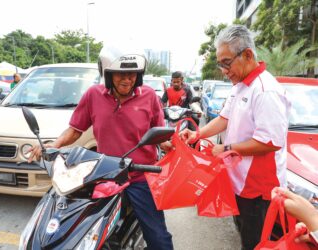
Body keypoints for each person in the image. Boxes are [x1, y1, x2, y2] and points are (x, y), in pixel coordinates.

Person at [28, 44, 174, 250]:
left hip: (139, 176)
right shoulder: (93, 95)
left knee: (159, 239)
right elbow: (75, 129)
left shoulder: (149, 96)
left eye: (132, 74)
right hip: (105, 174)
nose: (127, 79)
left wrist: (172, 145)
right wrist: (56, 144)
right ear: (107, 74)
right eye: (120, 74)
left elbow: (158, 132)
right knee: (77, 225)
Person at [180, 24, 291, 250]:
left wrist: (227, 148)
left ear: (247, 54)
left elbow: (269, 143)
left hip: (259, 190)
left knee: (256, 244)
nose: (223, 70)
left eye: (226, 63)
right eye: (220, 64)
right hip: (240, 184)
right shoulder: (240, 86)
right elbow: (223, 119)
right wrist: (197, 133)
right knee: (244, 237)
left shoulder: (266, 90)